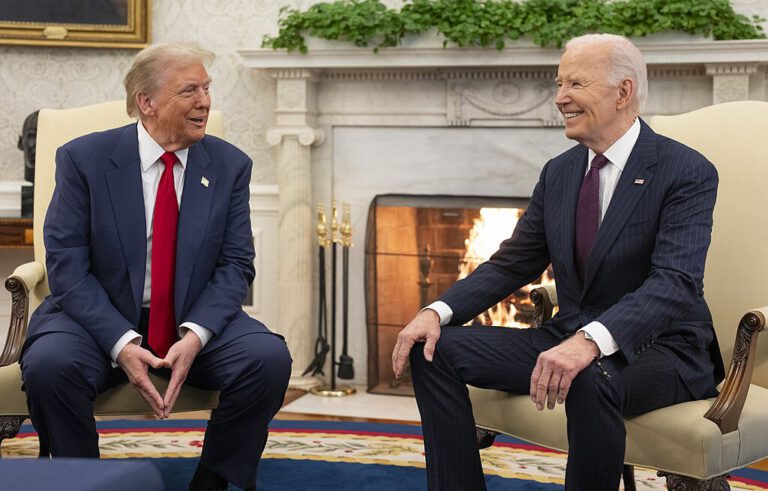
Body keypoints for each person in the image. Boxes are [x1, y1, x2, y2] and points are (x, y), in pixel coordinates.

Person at [392, 33, 723, 491]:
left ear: (623, 92)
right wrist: (435, 312)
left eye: (575, 84)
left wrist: (589, 342)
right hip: (569, 335)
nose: (560, 98)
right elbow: (513, 264)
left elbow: (675, 282)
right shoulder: (561, 171)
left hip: (663, 350)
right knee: (430, 351)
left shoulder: (685, 170)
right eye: (559, 83)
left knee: (591, 374)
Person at [20, 42, 291, 491]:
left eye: (206, 88)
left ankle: (213, 481)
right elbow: (66, 265)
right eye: (189, 90)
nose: (204, 101)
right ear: (146, 102)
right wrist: (121, 341)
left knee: (267, 359)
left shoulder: (229, 165)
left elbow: (236, 264)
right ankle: (82, 482)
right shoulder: (83, 159)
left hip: (193, 316)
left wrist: (197, 333)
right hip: (97, 319)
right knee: (50, 365)